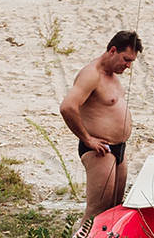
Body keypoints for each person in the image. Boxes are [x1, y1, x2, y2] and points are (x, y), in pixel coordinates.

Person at [59, 29, 142, 223]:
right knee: (96, 212)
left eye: (131, 62)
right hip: (100, 150)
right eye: (126, 59)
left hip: (119, 149)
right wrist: (87, 139)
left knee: (114, 210)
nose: (128, 66)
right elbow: (67, 107)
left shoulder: (112, 75)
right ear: (113, 50)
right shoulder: (92, 74)